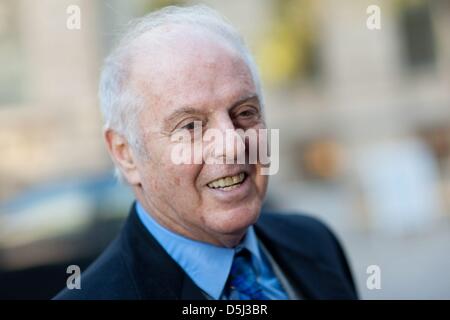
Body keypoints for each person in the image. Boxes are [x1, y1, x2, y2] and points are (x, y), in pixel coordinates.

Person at [55, 5, 357, 300]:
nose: (233, 144)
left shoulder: (317, 244)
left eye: (245, 112)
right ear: (126, 154)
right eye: (190, 126)